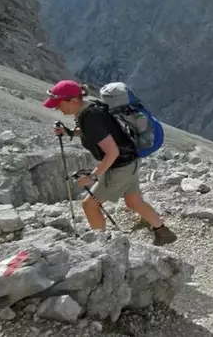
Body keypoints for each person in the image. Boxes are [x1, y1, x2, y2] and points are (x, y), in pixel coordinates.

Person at [44, 79, 176, 245]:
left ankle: (101, 246)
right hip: (131, 160)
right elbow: (98, 133)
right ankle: (164, 233)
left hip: (120, 167)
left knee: (90, 205)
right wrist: (69, 132)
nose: (57, 108)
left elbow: (112, 152)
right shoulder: (91, 107)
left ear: (74, 100)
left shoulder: (90, 118)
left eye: (59, 103)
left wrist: (93, 177)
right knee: (133, 201)